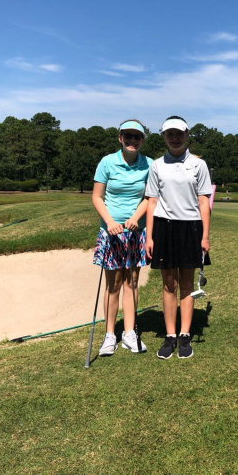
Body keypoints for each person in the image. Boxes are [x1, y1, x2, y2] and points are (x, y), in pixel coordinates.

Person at [145, 116, 212, 359]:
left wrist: (205, 236)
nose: (174, 138)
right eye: (170, 134)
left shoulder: (198, 165)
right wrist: (149, 237)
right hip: (164, 227)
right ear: (163, 136)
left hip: (191, 227)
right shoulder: (157, 165)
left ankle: (185, 335)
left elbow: (203, 202)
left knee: (186, 283)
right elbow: (152, 202)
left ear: (187, 134)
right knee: (168, 284)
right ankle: (170, 335)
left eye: (179, 133)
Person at [92, 119, 152, 356]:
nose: (132, 140)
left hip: (135, 231)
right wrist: (109, 222)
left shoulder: (149, 164)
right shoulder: (107, 162)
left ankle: (129, 332)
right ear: (120, 138)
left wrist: (136, 217)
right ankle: (109, 335)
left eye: (137, 137)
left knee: (132, 281)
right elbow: (97, 197)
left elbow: (149, 197)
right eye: (128, 136)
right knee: (114, 283)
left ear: (142, 140)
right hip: (111, 232)